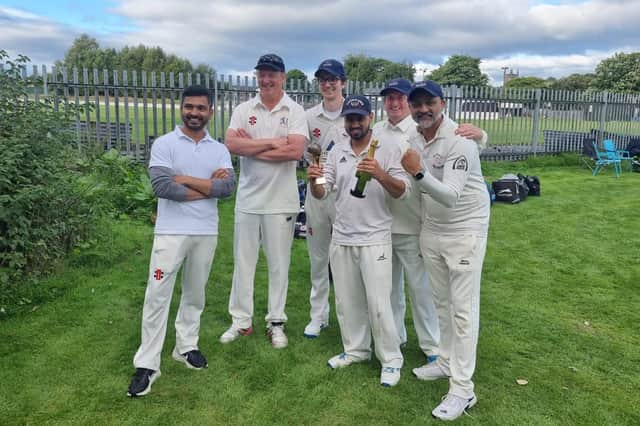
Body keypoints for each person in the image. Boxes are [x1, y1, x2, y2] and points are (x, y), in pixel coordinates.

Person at [127, 85, 235, 397]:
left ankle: (185, 347)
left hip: (206, 232)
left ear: (210, 112)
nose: (194, 113)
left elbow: (227, 188)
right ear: (181, 108)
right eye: (189, 107)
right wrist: (208, 187)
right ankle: (148, 363)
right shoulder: (165, 144)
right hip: (171, 233)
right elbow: (163, 187)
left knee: (195, 293)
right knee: (157, 294)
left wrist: (186, 179)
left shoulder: (219, 150)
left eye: (201, 108)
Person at [374, 78, 486, 362]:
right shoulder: (381, 130)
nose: (395, 103)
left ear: (442, 105)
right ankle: (398, 338)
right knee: (393, 289)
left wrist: (482, 135)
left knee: (427, 292)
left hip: (425, 223)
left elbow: (464, 155)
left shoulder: (428, 127)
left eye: (401, 97)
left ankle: (434, 349)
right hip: (391, 221)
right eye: (390, 98)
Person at [401, 80, 490, 421]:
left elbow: (451, 194)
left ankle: (463, 390)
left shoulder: (460, 141)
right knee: (441, 302)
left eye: (429, 102)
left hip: (465, 229)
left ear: (443, 103)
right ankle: (445, 362)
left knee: (463, 310)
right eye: (417, 103)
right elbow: (416, 188)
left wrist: (417, 171)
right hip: (432, 229)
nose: (422, 109)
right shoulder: (413, 138)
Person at [308, 95, 409, 387]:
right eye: (350, 119)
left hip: (375, 237)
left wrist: (378, 173)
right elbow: (322, 193)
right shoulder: (336, 150)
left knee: (379, 303)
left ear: (370, 117)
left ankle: (390, 359)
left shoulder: (388, 149)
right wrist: (315, 179)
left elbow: (403, 192)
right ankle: (356, 350)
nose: (354, 124)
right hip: (342, 237)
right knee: (347, 302)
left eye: (359, 118)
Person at [220, 54, 307, 349]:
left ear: (283, 77)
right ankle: (241, 322)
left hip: (281, 202)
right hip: (248, 199)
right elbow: (231, 144)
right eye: (262, 74)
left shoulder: (294, 110)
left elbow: (295, 152)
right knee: (243, 263)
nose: (266, 80)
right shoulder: (244, 109)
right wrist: (272, 142)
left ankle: (276, 322)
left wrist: (251, 147)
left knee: (278, 264)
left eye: (272, 74)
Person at [303, 59, 349, 338]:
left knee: (344, 259)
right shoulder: (309, 117)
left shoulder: (355, 112)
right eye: (323, 80)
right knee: (318, 258)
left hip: (345, 196)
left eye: (333, 79)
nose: (328, 84)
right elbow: (306, 154)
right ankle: (318, 316)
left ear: (343, 82)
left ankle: (348, 316)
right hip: (317, 192)